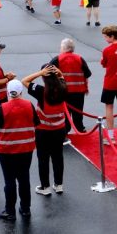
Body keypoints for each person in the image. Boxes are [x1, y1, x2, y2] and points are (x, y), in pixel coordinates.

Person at [0, 80, 39, 221]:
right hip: (26, 149)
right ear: (21, 92)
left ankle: (10, 211)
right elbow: (36, 123)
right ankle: (25, 209)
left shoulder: (3, 108)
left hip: (7, 150)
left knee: (9, 180)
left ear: (8, 92)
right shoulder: (29, 105)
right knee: (24, 179)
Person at [21, 65, 69, 196]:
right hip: (59, 129)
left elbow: (24, 81)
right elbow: (62, 78)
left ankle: (45, 186)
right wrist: (59, 72)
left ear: (44, 77)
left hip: (43, 130)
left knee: (43, 158)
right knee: (58, 157)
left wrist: (39, 72)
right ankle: (59, 185)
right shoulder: (63, 88)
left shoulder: (41, 91)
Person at [49, 38, 92, 133]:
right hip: (78, 91)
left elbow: (47, 72)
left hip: (63, 91)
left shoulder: (57, 59)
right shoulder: (79, 58)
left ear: (64, 48)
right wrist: (85, 87)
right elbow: (87, 74)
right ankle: (80, 128)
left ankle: (65, 129)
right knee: (78, 112)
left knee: (65, 112)